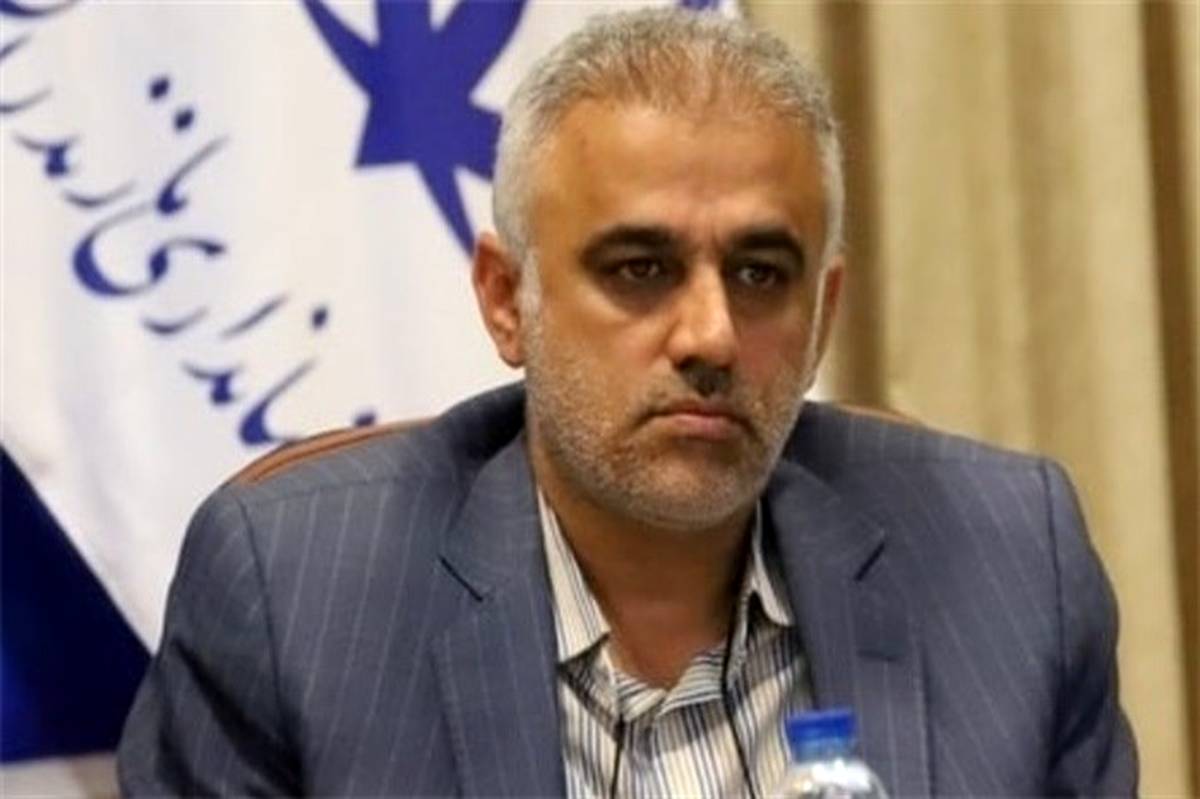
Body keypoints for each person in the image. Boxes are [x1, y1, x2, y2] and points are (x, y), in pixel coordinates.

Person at [117, 9, 1137, 797]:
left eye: (761, 272)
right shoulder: (297, 597)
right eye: (640, 268)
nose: (711, 336)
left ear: (823, 312)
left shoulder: (1010, 564)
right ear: (506, 300)